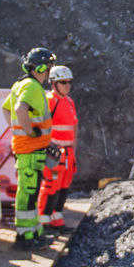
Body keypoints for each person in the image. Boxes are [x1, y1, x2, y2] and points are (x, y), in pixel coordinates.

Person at [2, 47, 56, 249]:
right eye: (49, 67)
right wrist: (30, 132)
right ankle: (24, 236)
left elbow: (6, 108)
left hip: (29, 149)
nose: (50, 71)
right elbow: (18, 109)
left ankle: (34, 232)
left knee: (31, 193)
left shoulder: (20, 84)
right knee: (28, 193)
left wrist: (19, 130)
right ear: (42, 67)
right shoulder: (32, 87)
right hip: (30, 151)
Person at [39, 65, 79, 232]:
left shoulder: (69, 101)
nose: (67, 86)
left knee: (63, 186)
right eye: (63, 82)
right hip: (54, 152)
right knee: (50, 186)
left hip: (68, 152)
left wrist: (74, 151)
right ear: (54, 83)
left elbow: (74, 126)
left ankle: (57, 218)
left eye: (69, 82)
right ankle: (44, 220)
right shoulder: (49, 100)